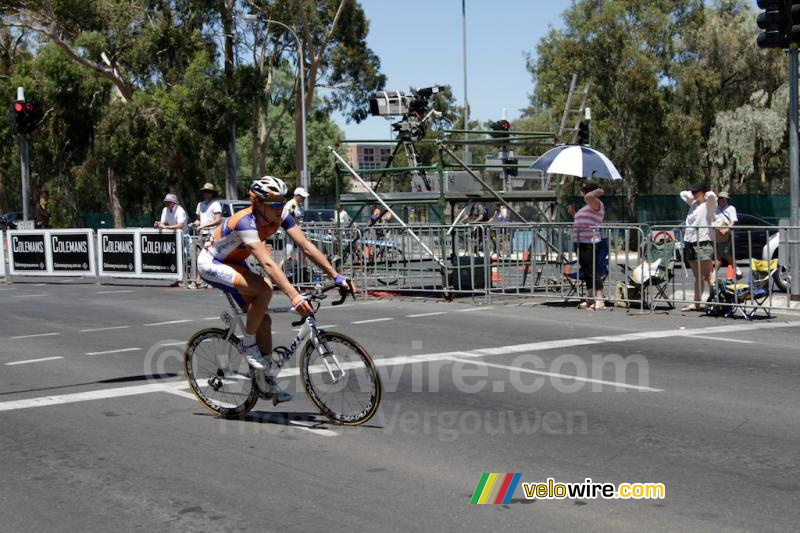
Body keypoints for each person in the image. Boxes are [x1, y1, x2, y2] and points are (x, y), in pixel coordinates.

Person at [198, 176, 354, 403]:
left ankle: (266, 380)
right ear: (257, 204)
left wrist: (337, 276)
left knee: (264, 321)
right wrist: (294, 296)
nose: (280, 207)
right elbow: (268, 263)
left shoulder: (280, 215)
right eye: (274, 203)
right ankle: (248, 345)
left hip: (235, 262)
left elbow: (306, 246)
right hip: (212, 262)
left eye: (282, 202)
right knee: (264, 289)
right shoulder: (245, 222)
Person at [568, 179, 606, 310]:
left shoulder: (596, 203)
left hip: (590, 242)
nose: (583, 192)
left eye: (584, 190)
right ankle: (590, 298)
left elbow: (588, 197)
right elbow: (583, 221)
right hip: (580, 241)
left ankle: (600, 299)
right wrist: (574, 214)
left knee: (591, 270)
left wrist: (598, 191)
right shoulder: (588, 206)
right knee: (586, 271)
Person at [680, 182, 718, 311]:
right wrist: (693, 197)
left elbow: (712, 196)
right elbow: (682, 194)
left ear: (703, 192)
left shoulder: (709, 205)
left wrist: (705, 195)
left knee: (708, 276)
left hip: (703, 241)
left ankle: (719, 301)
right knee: (698, 276)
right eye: (693, 192)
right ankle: (696, 303)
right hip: (689, 241)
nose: (693, 194)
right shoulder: (693, 203)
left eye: (696, 192)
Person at [713, 191, 740, 278]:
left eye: (723, 198)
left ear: (727, 200)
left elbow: (733, 221)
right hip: (717, 234)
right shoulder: (715, 209)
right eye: (720, 198)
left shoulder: (731, 208)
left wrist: (726, 229)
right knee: (724, 254)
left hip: (726, 234)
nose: (721, 200)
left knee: (721, 254)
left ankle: (714, 274)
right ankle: (737, 271)